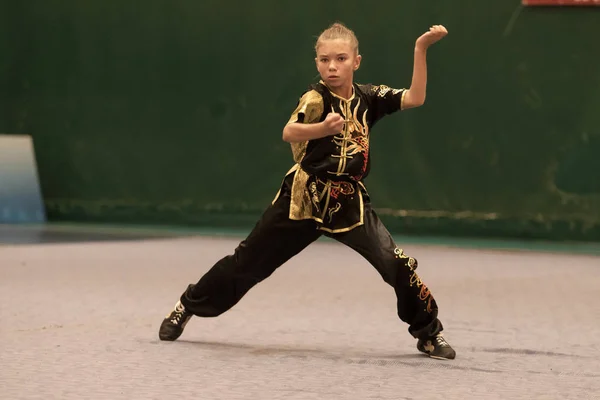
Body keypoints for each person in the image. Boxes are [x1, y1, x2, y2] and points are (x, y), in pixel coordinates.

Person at [159, 22, 455, 360]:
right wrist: (322, 128)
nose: (332, 66)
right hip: (304, 198)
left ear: (356, 62)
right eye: (325, 59)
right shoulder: (315, 98)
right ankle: (188, 304)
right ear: (317, 63)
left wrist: (420, 49)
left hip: (347, 202)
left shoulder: (369, 98)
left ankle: (429, 334)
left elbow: (416, 97)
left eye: (341, 59)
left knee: (395, 262)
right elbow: (289, 132)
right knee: (247, 263)